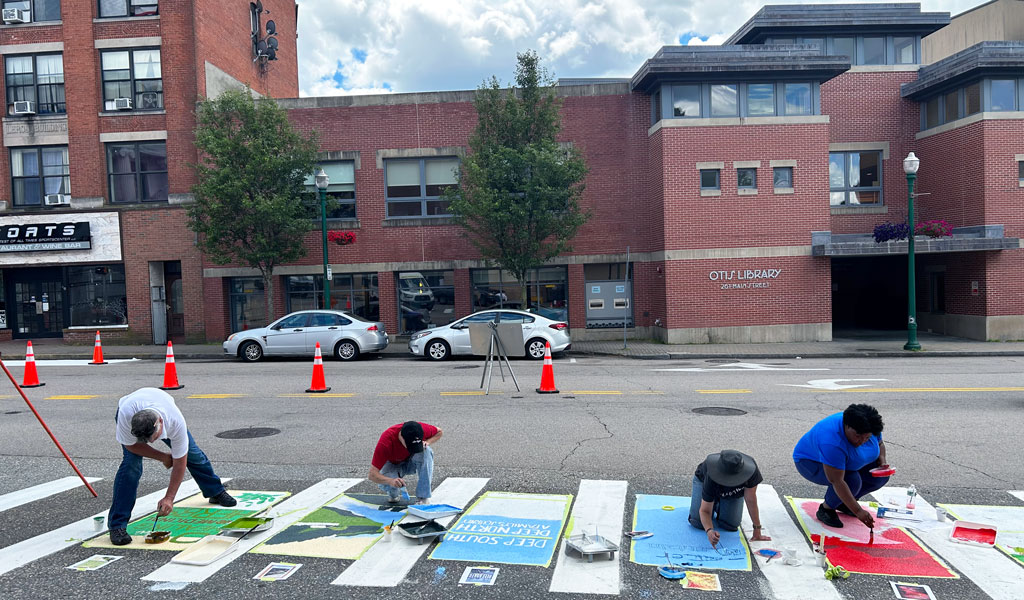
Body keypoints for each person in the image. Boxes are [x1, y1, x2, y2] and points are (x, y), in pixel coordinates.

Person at [108, 387, 235, 546]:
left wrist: (169, 498)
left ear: (160, 423)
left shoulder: (175, 422)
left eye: (153, 437)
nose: (151, 442)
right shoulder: (126, 415)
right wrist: (162, 457)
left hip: (164, 410)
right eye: (146, 440)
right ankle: (117, 525)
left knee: (194, 455)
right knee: (131, 466)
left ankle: (215, 491)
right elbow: (131, 446)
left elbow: (180, 462)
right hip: (131, 407)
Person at [793, 403, 889, 529]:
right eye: (858, 436)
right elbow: (837, 481)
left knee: (878, 476)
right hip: (811, 463)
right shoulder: (832, 441)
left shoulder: (870, 427)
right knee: (852, 481)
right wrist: (858, 511)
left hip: (850, 460)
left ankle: (844, 503)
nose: (862, 441)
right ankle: (826, 509)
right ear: (847, 426)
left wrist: (882, 461)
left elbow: (880, 444)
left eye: (867, 437)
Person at [688, 450, 772, 548]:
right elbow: (705, 510)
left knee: (731, 525)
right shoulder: (711, 475)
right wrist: (709, 530)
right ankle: (715, 502)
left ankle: (718, 503)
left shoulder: (751, 471)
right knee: (698, 522)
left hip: (733, 491)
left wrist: (757, 528)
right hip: (703, 481)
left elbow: (751, 500)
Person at [368, 421, 443, 504]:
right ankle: (393, 494)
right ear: (401, 437)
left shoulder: (422, 428)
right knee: (390, 483)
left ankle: (423, 497)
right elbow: (372, 475)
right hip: (393, 464)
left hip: (412, 461)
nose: (411, 449)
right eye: (410, 446)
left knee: (426, 451)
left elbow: (439, 432)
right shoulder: (386, 441)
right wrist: (390, 481)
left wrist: (428, 442)